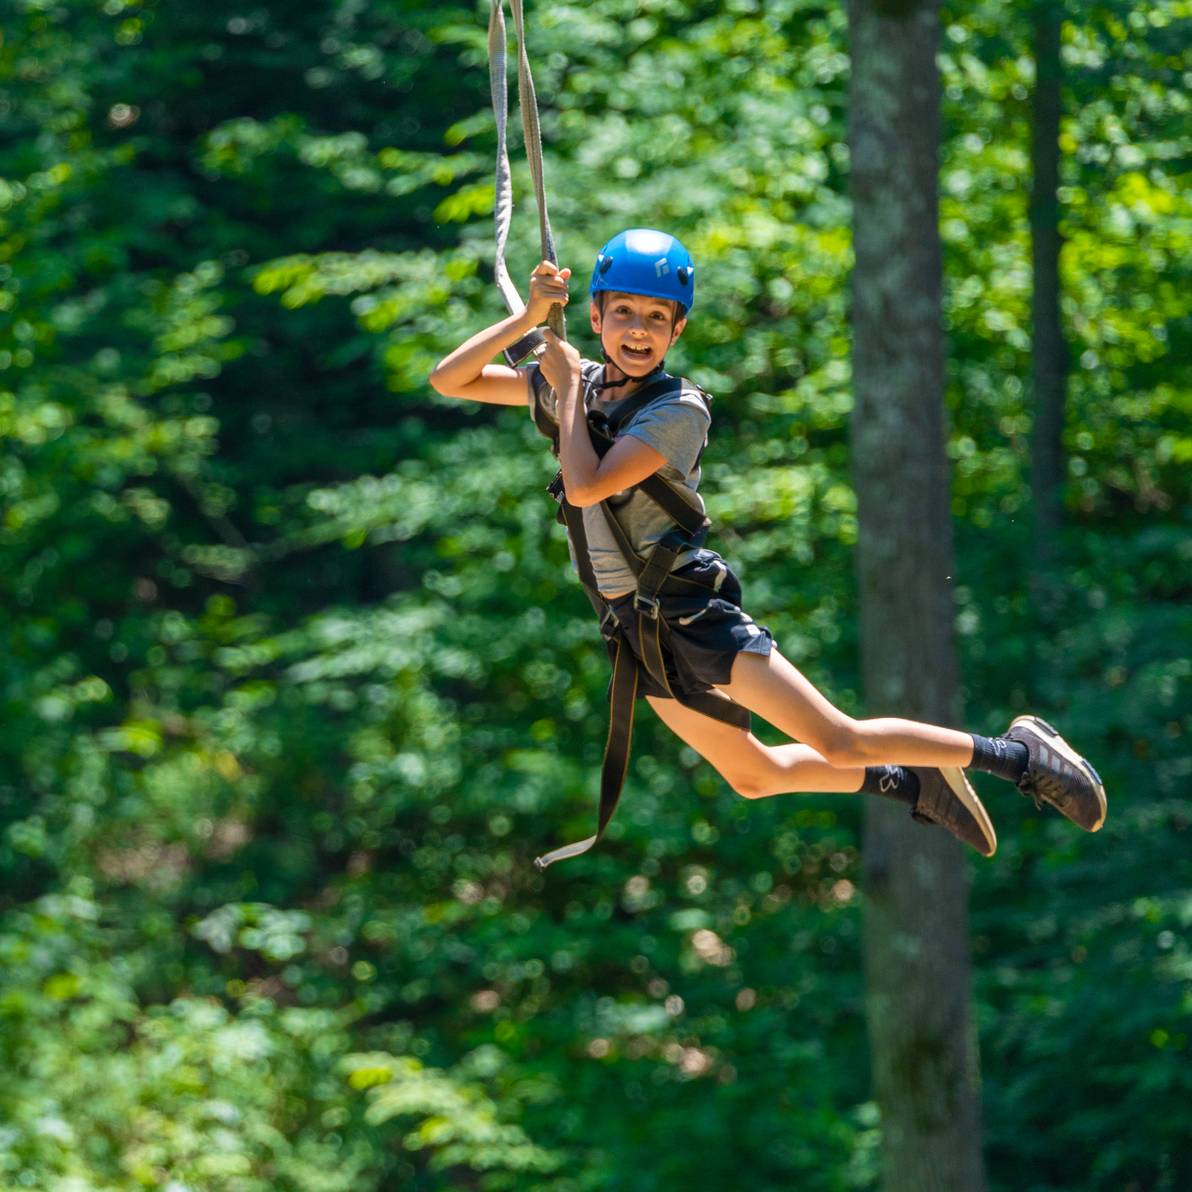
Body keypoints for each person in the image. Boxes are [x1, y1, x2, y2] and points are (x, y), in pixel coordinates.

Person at [429, 228, 1106, 869]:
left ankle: (1019, 756)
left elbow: (585, 487)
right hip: (633, 628)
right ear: (596, 315)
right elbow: (450, 380)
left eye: (658, 318)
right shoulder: (575, 387)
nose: (639, 330)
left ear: (677, 330)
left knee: (837, 737)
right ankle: (914, 783)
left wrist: (570, 386)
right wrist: (529, 321)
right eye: (625, 312)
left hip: (687, 610)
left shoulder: (676, 410)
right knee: (752, 774)